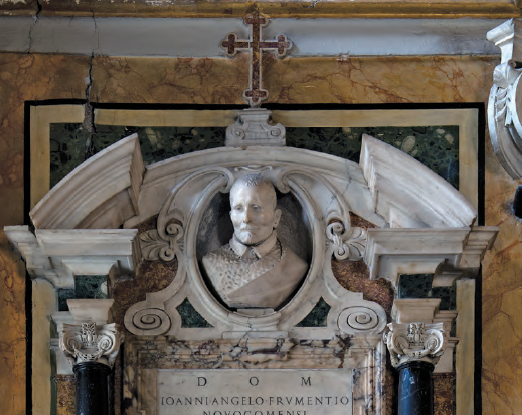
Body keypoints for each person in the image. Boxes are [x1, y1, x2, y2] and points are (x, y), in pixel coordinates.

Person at [202, 174, 308, 310]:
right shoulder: (210, 263)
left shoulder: (296, 268)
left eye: (256, 207)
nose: (246, 218)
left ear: (276, 218)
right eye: (238, 208)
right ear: (231, 216)